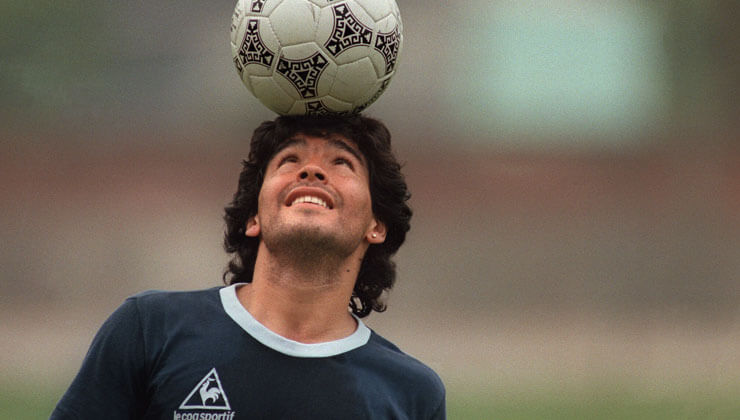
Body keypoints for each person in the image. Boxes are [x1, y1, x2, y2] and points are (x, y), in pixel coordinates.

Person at [51, 114, 446, 419]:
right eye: (289, 160)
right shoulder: (149, 329)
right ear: (253, 217)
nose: (311, 170)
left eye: (341, 162)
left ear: (376, 225)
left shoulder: (412, 393)